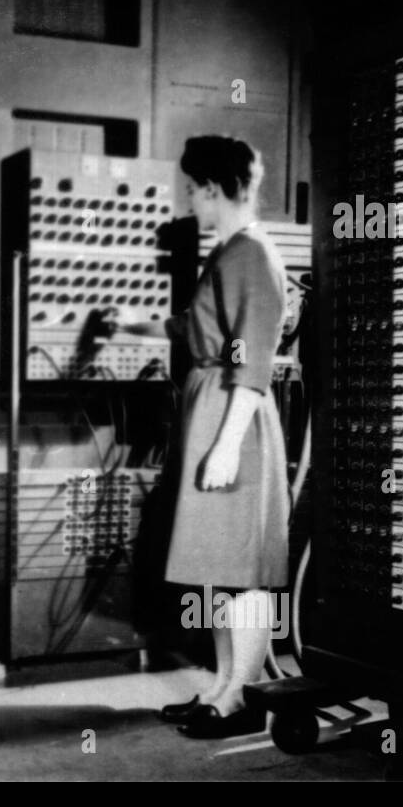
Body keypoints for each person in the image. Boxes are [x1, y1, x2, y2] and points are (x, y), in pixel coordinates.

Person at [104, 136, 289, 739]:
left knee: (245, 569)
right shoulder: (228, 253)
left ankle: (242, 694)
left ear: (212, 188)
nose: (187, 201)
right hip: (209, 408)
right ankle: (220, 684)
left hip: (234, 417)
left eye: (191, 189)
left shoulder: (252, 255)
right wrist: (130, 322)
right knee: (217, 563)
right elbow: (194, 326)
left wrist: (229, 444)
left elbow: (252, 360)